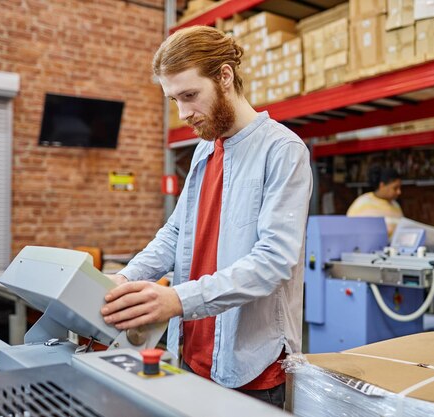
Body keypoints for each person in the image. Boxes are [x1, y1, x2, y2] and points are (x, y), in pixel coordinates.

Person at [100, 25, 312, 409]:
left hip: (252, 367)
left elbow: (274, 261)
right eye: (174, 100)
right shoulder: (204, 151)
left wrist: (178, 299)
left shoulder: (282, 150)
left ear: (225, 76)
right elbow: (176, 233)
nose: (183, 113)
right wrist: (125, 278)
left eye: (190, 95)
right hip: (191, 353)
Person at [346, 165, 403, 237]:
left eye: (400, 188)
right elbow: (350, 230)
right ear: (382, 185)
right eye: (395, 188)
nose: (399, 192)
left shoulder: (396, 205)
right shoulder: (362, 203)